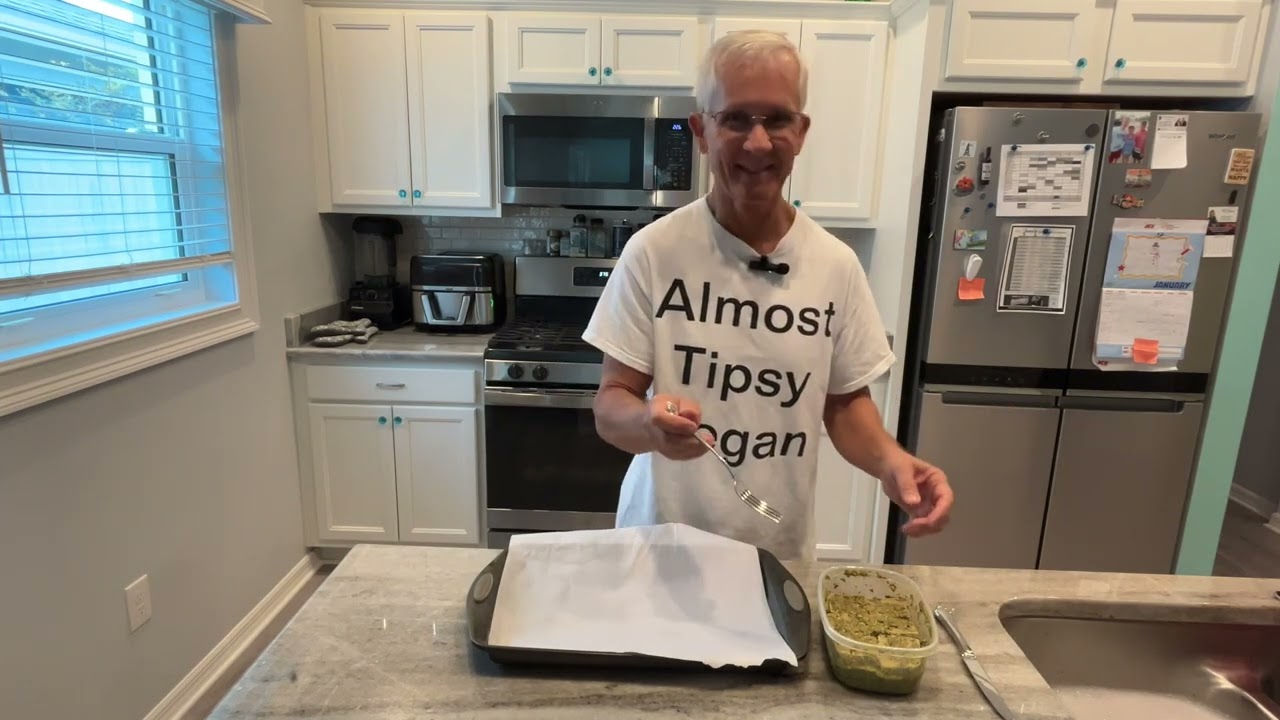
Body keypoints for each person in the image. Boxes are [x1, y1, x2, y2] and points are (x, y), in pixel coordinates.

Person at [582, 31, 954, 561]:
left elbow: (845, 403)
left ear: (801, 133)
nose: (758, 143)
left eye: (776, 119)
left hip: (774, 550)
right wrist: (648, 424)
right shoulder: (654, 252)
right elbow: (610, 403)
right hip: (660, 546)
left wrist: (892, 461)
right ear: (702, 131)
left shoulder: (835, 266)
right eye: (735, 119)